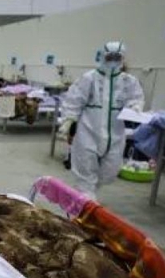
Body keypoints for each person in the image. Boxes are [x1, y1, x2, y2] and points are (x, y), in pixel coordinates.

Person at [59, 41, 144, 198]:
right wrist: (69, 119)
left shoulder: (129, 81)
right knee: (85, 169)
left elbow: (135, 98)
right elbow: (74, 99)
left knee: (110, 171)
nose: (113, 60)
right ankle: (86, 198)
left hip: (115, 134)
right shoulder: (89, 78)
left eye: (117, 57)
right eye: (110, 57)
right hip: (89, 130)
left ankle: (88, 193)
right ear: (103, 56)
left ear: (122, 58)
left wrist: (135, 107)